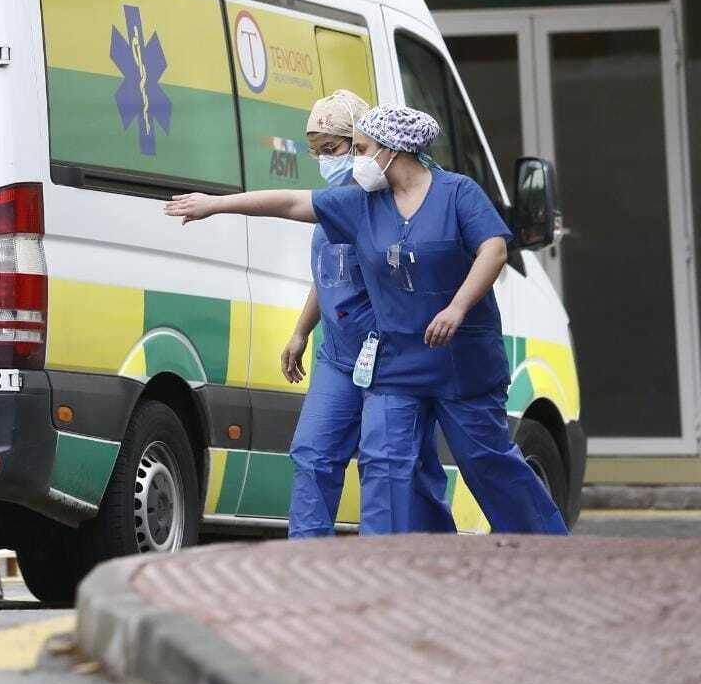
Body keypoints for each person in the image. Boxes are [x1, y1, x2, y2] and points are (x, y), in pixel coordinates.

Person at [164, 105, 567, 536]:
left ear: (393, 150)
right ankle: (381, 562)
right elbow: (291, 202)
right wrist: (216, 205)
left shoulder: (457, 193)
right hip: (398, 366)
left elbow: (494, 250)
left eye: (361, 149)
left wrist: (457, 307)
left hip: (462, 365)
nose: (356, 160)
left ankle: (547, 547)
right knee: (384, 463)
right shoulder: (360, 205)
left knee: (485, 462)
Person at [282, 91, 454, 539]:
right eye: (318, 151)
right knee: (312, 455)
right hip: (339, 357)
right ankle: (306, 559)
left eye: (335, 149)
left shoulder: (390, 205)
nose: (326, 160)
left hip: (392, 358)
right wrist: (301, 331)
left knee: (401, 466)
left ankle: (419, 555)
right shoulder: (331, 204)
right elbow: (329, 275)